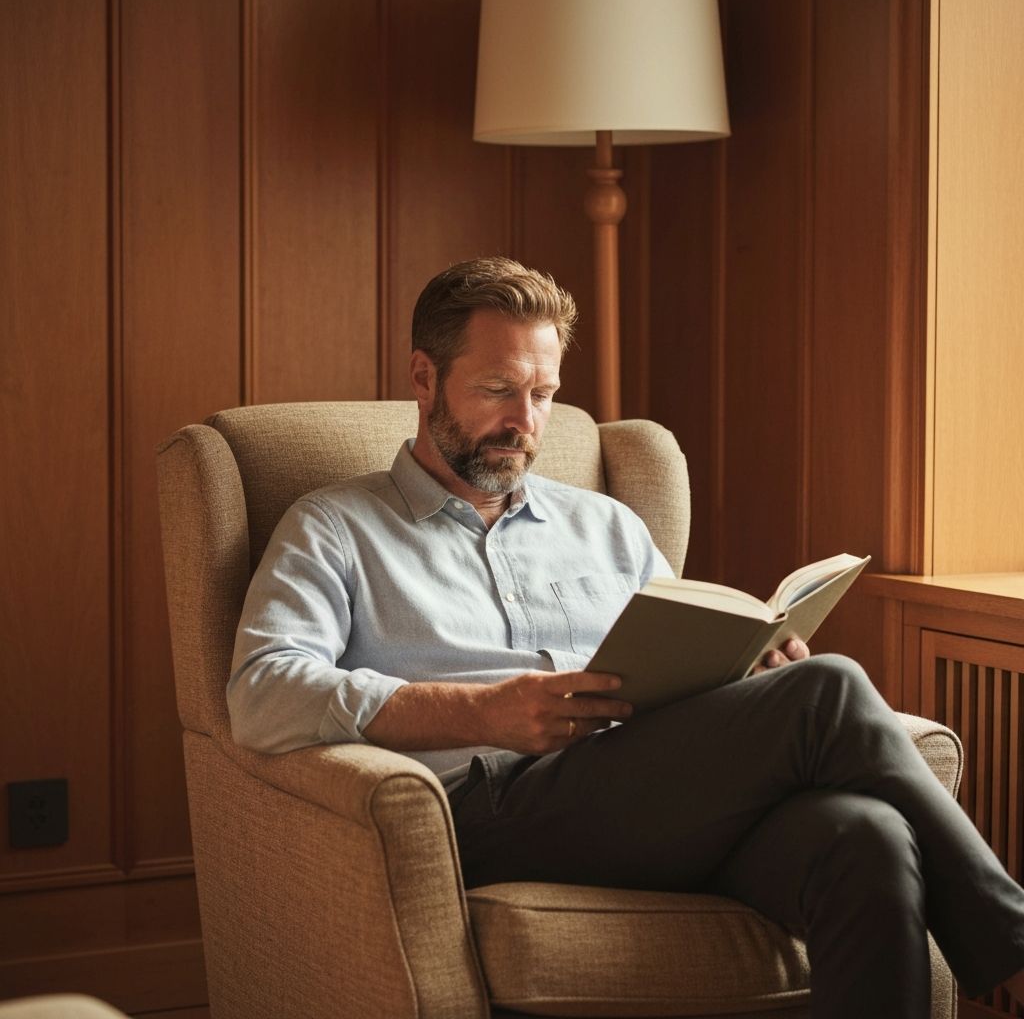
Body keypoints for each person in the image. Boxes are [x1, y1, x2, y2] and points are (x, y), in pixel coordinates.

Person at [229, 256, 1024, 1018]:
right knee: (834, 689)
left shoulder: (606, 525)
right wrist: (484, 712)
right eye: (499, 390)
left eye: (543, 393)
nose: (525, 422)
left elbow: (679, 663)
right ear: (423, 377)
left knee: (869, 839)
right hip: (484, 809)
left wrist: (753, 667)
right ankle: (1011, 937)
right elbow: (261, 692)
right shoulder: (333, 526)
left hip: (643, 795)